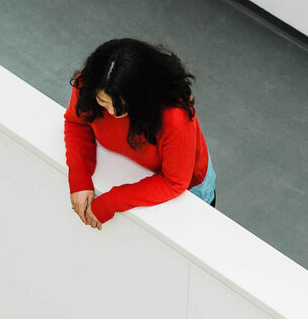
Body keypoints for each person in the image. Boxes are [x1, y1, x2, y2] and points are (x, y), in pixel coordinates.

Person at [64, 39, 215, 230]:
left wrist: (111, 202)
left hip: (188, 187)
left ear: (143, 96)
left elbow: (175, 182)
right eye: (103, 101)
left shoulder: (175, 117)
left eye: (122, 106)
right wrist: (79, 178)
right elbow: (76, 123)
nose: (112, 113)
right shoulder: (87, 85)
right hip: (134, 172)